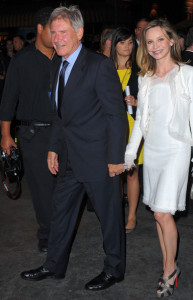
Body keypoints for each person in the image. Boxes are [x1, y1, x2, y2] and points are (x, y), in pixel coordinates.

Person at [20, 5, 127, 291]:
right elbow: (60, 114)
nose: (56, 37)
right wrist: (54, 147)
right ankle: (54, 265)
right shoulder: (57, 63)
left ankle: (114, 269)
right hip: (69, 158)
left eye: (62, 32)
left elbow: (116, 114)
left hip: (98, 158)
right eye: (53, 32)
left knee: (109, 216)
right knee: (61, 211)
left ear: (79, 32)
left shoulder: (98, 65)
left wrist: (116, 158)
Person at [124, 18, 193, 297]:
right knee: (157, 212)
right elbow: (140, 122)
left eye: (160, 40)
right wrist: (130, 154)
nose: (155, 46)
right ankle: (170, 265)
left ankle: (169, 270)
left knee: (164, 212)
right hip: (152, 151)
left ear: (172, 41)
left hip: (177, 149)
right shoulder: (145, 78)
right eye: (149, 42)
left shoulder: (187, 74)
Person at [0, 7, 60, 252]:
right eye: (52, 31)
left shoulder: (64, 57)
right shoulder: (21, 60)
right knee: (41, 189)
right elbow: (8, 100)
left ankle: (61, 229)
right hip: (33, 136)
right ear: (40, 29)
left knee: (63, 187)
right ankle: (47, 235)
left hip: (62, 132)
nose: (57, 36)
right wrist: (5, 135)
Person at [110, 27, 143, 233]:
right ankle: (114, 214)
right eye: (123, 42)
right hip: (110, 126)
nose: (127, 46)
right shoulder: (105, 67)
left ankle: (131, 216)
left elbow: (152, 98)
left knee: (131, 172)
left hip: (132, 124)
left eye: (131, 42)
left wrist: (138, 101)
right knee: (114, 171)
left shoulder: (141, 68)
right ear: (115, 44)